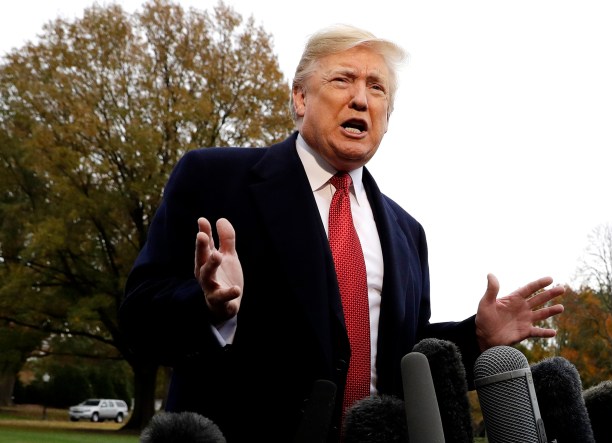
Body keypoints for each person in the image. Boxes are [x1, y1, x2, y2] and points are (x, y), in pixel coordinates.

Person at [119, 24, 566, 443]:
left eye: (377, 89)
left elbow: (401, 356)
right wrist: (209, 308)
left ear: (387, 119)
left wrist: (477, 338)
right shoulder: (213, 178)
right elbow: (138, 319)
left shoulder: (408, 233)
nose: (360, 100)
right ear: (299, 98)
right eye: (342, 80)